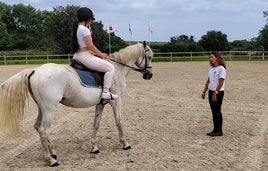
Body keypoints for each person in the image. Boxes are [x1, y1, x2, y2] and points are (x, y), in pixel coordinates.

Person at [71, 7, 118, 100]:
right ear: (87, 19)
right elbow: (91, 47)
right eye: (91, 19)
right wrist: (101, 54)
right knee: (110, 68)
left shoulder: (76, 28)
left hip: (77, 55)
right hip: (85, 57)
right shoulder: (84, 29)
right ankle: (106, 92)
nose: (91, 22)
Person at [201, 51, 226, 136]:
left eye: (212, 57)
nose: (210, 58)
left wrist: (216, 92)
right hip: (211, 91)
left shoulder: (221, 69)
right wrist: (204, 91)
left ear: (217, 57)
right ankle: (215, 129)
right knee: (213, 111)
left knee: (217, 111)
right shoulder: (211, 68)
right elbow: (208, 81)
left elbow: (221, 82)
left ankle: (219, 131)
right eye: (210, 57)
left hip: (218, 92)